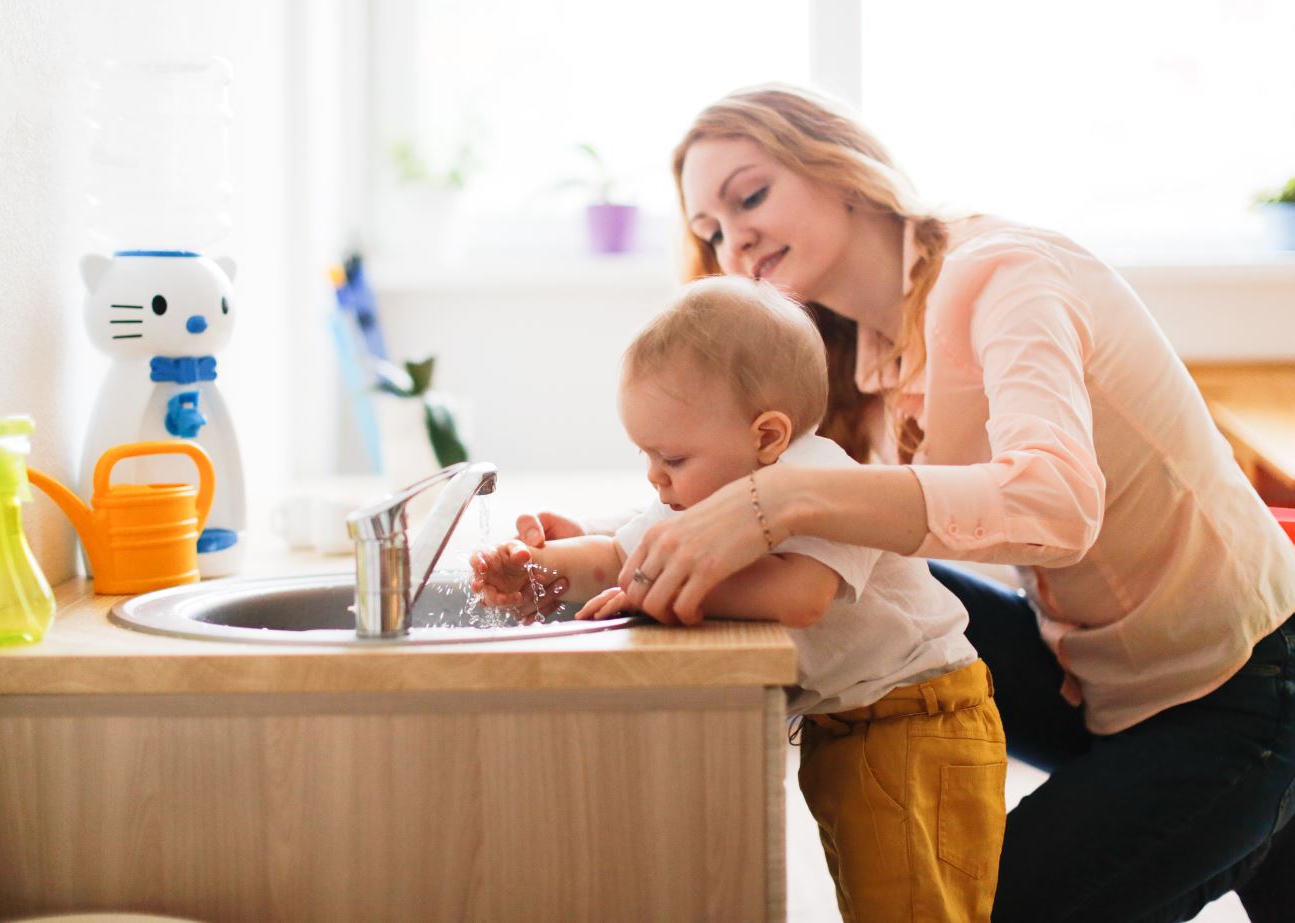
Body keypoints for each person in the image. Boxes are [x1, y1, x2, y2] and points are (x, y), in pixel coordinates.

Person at [514, 85, 1295, 923]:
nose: (731, 239)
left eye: (749, 196)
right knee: (884, 593)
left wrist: (787, 497)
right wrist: (609, 544)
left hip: (1237, 682)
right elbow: (814, 536)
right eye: (709, 231)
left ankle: (1259, 798)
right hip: (1099, 679)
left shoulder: (1005, 275)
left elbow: (1059, 503)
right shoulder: (861, 353)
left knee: (991, 908)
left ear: (839, 167)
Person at [475, 275, 1008, 922]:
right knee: (874, 898)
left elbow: (801, 594)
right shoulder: (698, 493)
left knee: (914, 908)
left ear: (766, 437)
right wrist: (540, 572)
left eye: (670, 455)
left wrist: (655, 591)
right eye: (644, 454)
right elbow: (622, 557)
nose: (654, 475)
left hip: (920, 719)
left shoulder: (820, 477)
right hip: (845, 722)